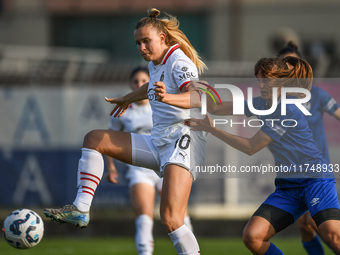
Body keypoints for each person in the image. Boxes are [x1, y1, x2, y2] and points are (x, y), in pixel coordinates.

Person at [44, 8, 206, 255]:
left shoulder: (179, 61)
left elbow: (198, 97)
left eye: (146, 41)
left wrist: (169, 97)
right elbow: (151, 87)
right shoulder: (155, 62)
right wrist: (128, 99)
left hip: (183, 141)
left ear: (162, 38)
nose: (141, 47)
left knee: (172, 219)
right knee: (94, 139)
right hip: (159, 142)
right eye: (138, 43)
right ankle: (80, 209)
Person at [189, 56, 340, 254]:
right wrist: (205, 88)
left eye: (266, 80)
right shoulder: (260, 103)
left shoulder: (288, 109)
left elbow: (251, 147)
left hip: (315, 180)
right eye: (258, 79)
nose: (261, 84)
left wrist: (213, 129)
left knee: (332, 236)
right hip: (288, 187)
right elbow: (215, 107)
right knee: (253, 237)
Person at [105, 66, 193, 255]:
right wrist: (110, 167)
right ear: (131, 85)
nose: (139, 84)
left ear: (150, 82)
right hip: (140, 168)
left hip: (167, 163)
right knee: (144, 219)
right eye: (136, 82)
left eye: (144, 81)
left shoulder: (163, 102)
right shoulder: (126, 109)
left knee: (179, 216)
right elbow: (110, 139)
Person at [278, 41, 340, 255]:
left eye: (293, 64)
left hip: (316, 171)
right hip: (293, 172)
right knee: (306, 225)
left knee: (320, 227)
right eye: (284, 65)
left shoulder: (317, 94)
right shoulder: (275, 99)